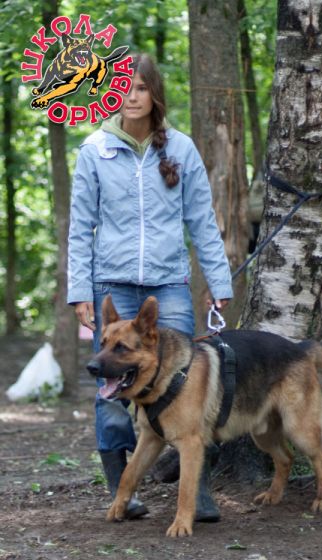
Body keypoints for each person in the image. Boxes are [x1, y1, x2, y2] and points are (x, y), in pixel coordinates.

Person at [67, 53, 233, 520]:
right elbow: (80, 227)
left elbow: (202, 221)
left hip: (170, 285)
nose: (131, 96)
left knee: (185, 388)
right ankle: (121, 489)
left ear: (154, 93)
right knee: (112, 389)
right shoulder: (94, 150)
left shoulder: (180, 148)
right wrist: (79, 291)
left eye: (140, 87)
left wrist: (218, 281)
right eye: (122, 87)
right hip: (112, 287)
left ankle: (196, 492)